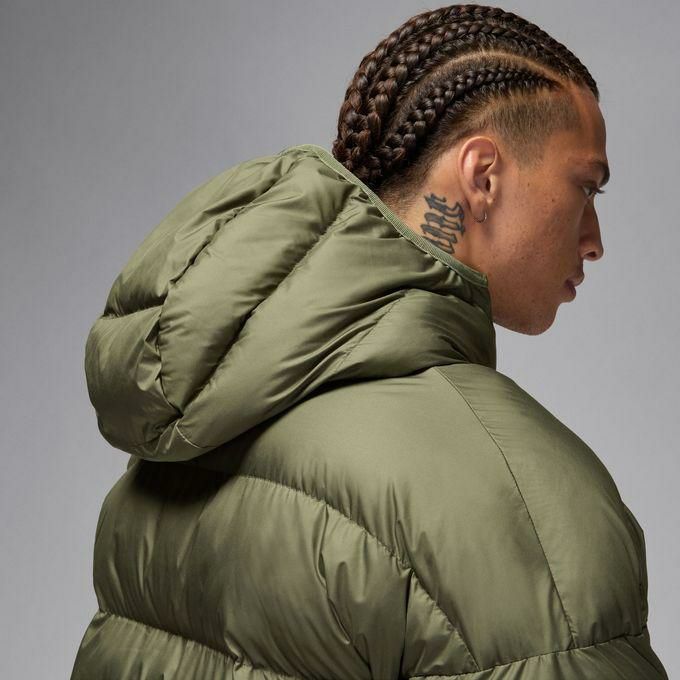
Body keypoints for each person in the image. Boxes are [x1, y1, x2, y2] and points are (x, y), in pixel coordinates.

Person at [70, 4, 668, 679]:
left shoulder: (183, 440)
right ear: (482, 176)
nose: (594, 240)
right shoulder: (523, 511)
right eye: (585, 187)